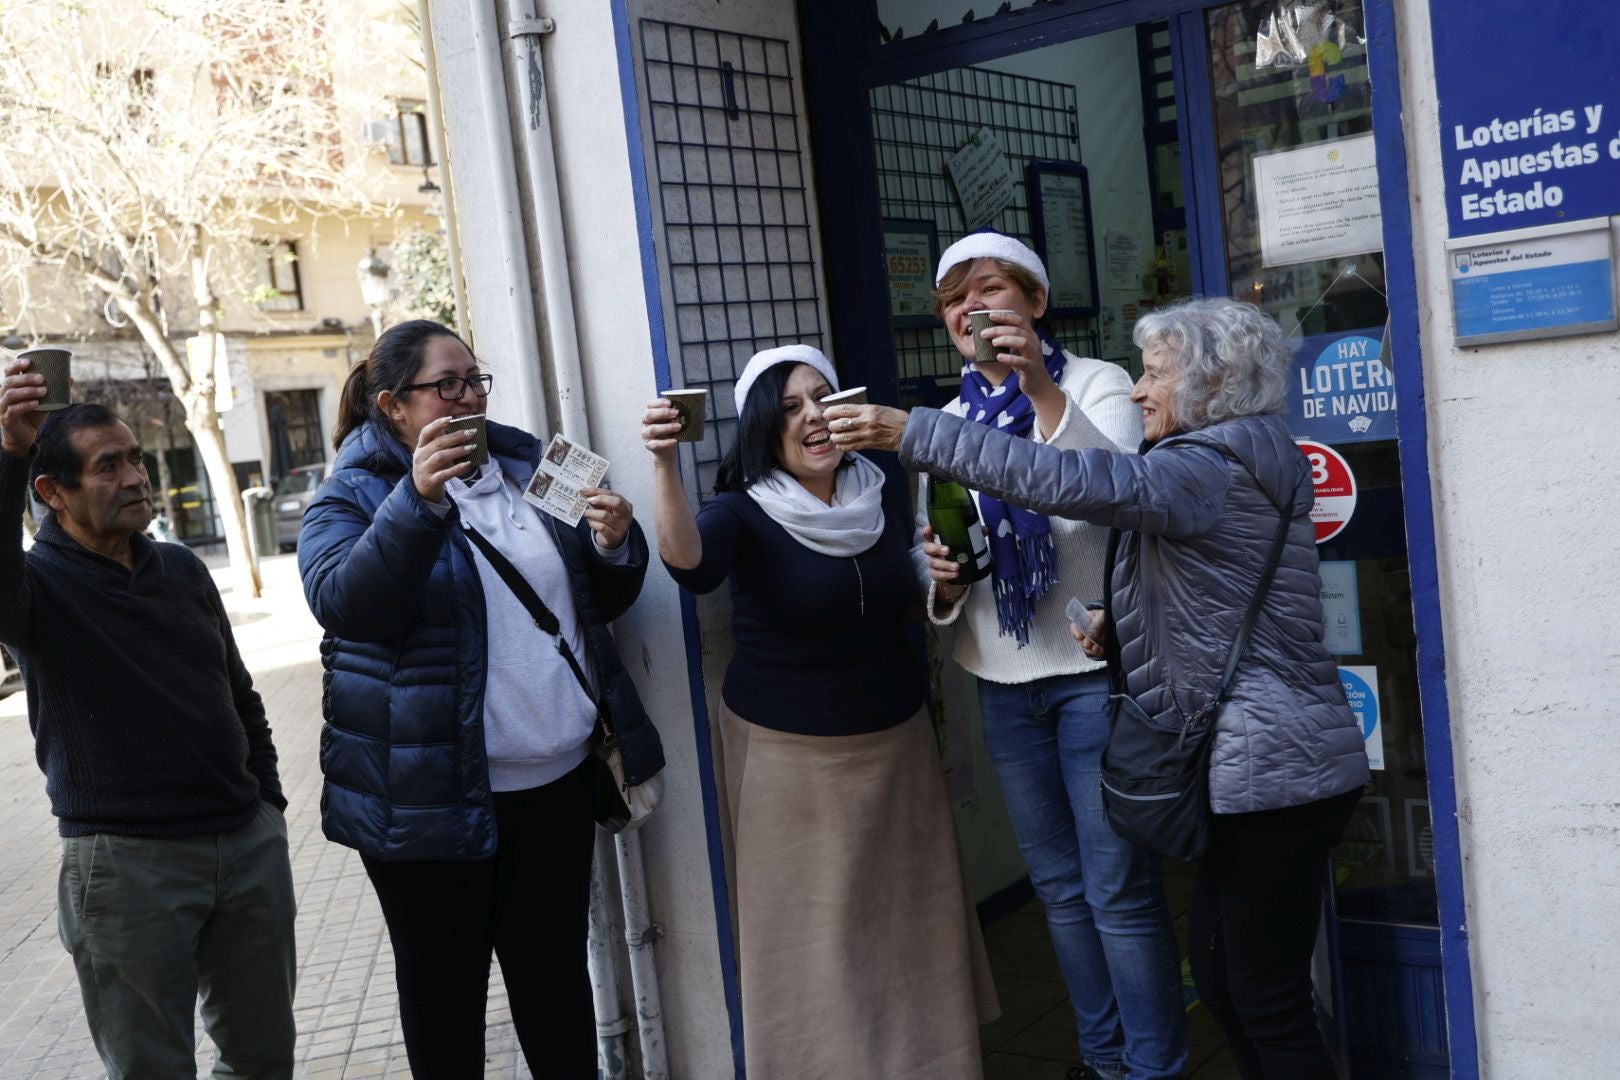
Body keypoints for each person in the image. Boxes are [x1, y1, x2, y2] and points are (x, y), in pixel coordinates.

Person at [828, 296, 1371, 1080]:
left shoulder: (1206, 466)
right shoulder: (1237, 456)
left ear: (1211, 385)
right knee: (1228, 982)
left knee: (1263, 998)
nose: (1140, 391)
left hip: (1276, 772)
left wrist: (911, 432)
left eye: (1154, 375)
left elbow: (1070, 480)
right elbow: (1214, 602)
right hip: (1260, 770)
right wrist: (1125, 627)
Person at [299, 319, 660, 1078]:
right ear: (394, 406)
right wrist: (419, 503)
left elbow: (593, 602)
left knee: (556, 990)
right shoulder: (351, 495)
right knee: (446, 1010)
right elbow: (343, 603)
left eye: (475, 380)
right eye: (447, 386)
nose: (468, 399)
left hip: (554, 790)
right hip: (428, 805)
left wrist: (614, 543)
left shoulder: (533, 461)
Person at [641, 344, 997, 1079]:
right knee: (815, 942)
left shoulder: (880, 488)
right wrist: (663, 466)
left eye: (824, 399)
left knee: (910, 925)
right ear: (765, 426)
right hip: (790, 761)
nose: (814, 417)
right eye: (793, 406)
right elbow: (690, 562)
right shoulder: (745, 508)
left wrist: (947, 588)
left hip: (898, 744)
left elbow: (911, 598)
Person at [915, 231, 1184, 1080]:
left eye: (991, 288)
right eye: (956, 296)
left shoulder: (1097, 383)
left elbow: (1112, 493)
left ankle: (1155, 1067)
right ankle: (1105, 1062)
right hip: (1003, 681)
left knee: (1117, 890)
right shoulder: (949, 423)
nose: (973, 308)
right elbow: (948, 559)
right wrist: (945, 584)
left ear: (1034, 302)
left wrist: (1035, 384)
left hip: (1093, 679)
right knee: (1061, 892)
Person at [0, 370, 295, 1078]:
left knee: (262, 1059)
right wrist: (9, 455)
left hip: (244, 847)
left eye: (135, 458)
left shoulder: (182, 568)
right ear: (52, 493)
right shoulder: (36, 591)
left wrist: (269, 808)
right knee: (152, 1069)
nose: (136, 476)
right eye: (110, 466)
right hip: (128, 869)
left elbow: (239, 695)